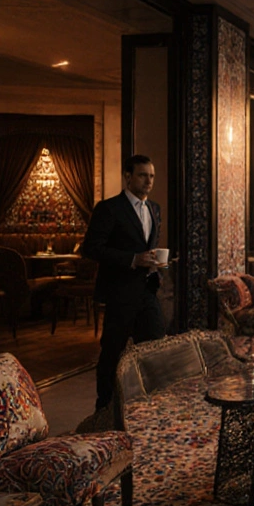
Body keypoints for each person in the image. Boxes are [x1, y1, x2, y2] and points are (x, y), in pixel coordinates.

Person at [82, 154, 165, 411]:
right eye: (143, 175)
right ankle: (104, 409)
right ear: (128, 177)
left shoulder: (154, 209)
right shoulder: (109, 209)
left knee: (154, 349)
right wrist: (132, 259)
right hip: (119, 293)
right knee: (113, 354)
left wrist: (154, 262)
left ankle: (147, 406)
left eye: (151, 176)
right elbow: (91, 248)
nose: (148, 181)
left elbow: (146, 246)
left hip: (147, 290)